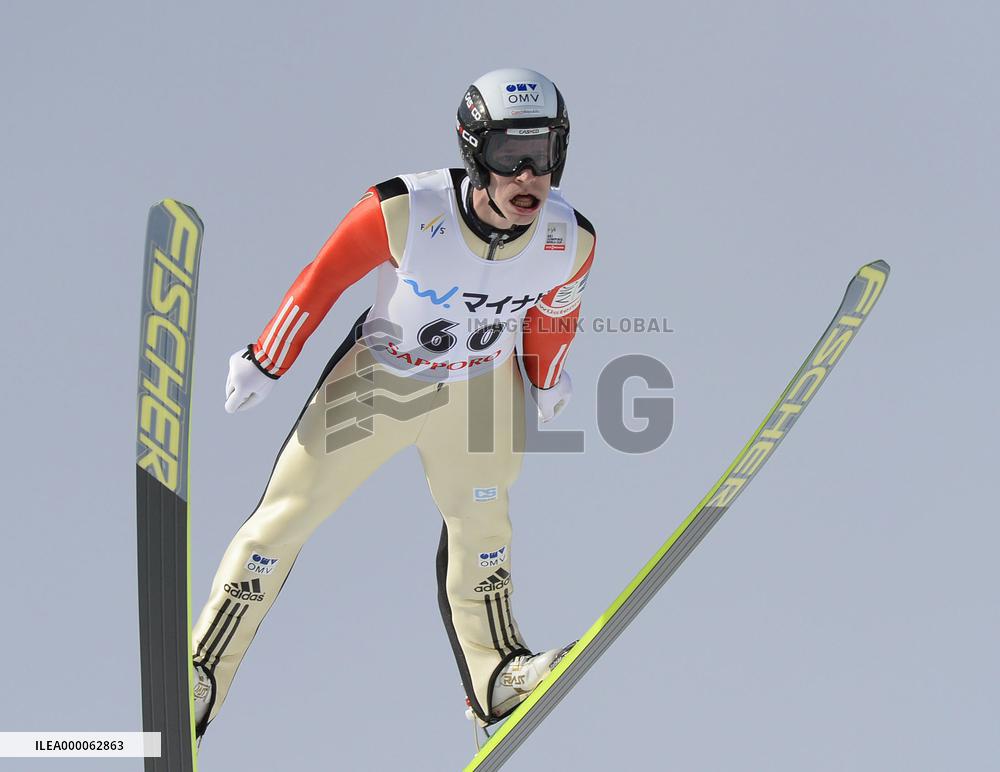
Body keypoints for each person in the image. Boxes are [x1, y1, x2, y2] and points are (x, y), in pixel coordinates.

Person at [190, 67, 596, 740]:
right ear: (473, 151)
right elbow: (319, 283)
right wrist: (268, 358)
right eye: (507, 155)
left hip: (480, 391)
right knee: (285, 519)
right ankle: (203, 669)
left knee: (485, 524)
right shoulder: (406, 209)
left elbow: (553, 318)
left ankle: (496, 674)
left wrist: (547, 377)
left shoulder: (569, 239)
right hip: (382, 379)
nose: (527, 174)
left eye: (544, 153)